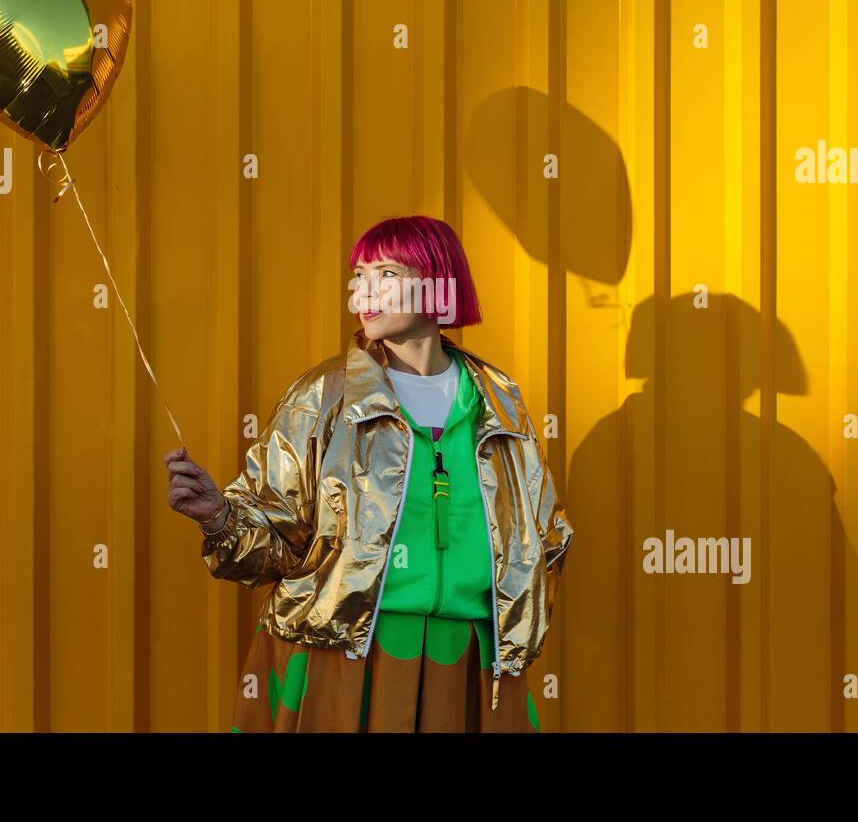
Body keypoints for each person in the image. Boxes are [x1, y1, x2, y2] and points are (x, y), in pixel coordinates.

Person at [164, 214, 573, 732]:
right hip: (346, 655)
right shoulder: (326, 395)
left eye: (386, 273)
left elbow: (545, 534)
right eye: (358, 276)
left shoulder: (501, 400)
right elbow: (276, 531)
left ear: (439, 282)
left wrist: (516, 624)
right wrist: (220, 516)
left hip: (473, 661)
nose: (363, 291)